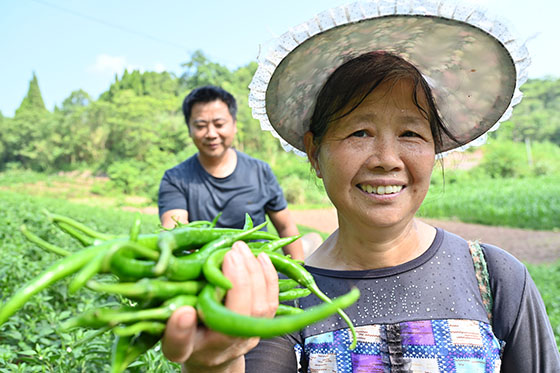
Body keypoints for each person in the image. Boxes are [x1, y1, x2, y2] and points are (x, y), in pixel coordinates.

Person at [161, 1, 560, 372]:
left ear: (435, 150)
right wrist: (218, 363)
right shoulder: (287, 299)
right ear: (314, 153)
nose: (387, 158)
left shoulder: (495, 278)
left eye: (411, 133)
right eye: (359, 132)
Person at [157, 85, 304, 260]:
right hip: (203, 267)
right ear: (189, 129)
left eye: (219, 124)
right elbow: (177, 233)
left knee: (313, 240)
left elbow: (286, 228)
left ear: (234, 125)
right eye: (200, 125)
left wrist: (299, 268)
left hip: (257, 266)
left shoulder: (260, 171)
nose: (211, 134)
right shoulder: (175, 179)